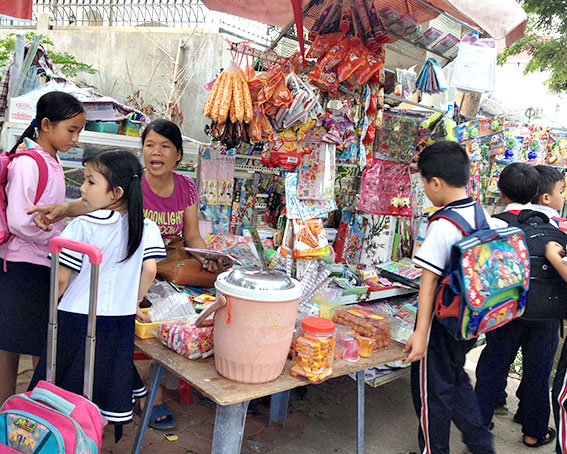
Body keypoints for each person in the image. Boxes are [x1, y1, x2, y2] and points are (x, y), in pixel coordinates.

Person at [29, 118, 223, 428]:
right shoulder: (136, 203)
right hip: (125, 301)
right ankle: (111, 416)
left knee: (72, 376)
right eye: (149, 144)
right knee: (109, 362)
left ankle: (70, 428)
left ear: (177, 155)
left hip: (102, 304)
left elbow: (192, 236)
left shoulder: (183, 188)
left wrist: (210, 258)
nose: (155, 152)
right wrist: (135, 299)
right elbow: (144, 264)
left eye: (164, 146)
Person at [29, 148, 166, 434]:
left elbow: (61, 281)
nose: (82, 188)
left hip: (76, 319)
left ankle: (62, 437)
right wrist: (133, 302)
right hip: (118, 322)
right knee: (100, 383)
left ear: (115, 192)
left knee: (64, 386)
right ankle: (89, 435)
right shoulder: (146, 227)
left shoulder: (82, 226)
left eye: (91, 182)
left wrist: (47, 308)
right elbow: (150, 270)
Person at [404, 140, 503, 454]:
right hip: (469, 320)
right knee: (456, 381)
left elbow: (428, 284)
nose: (425, 190)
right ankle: (480, 442)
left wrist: (420, 335)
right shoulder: (479, 213)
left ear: (435, 183)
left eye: (424, 184)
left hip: (440, 326)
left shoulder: (442, 226)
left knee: (432, 394)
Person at [0, 91, 86, 406]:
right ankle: (14, 413)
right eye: (71, 130)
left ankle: (28, 413)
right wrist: (60, 239)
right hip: (24, 266)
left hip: (40, 263)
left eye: (79, 131)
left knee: (31, 342)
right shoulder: (28, 163)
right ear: (47, 125)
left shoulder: (50, 159)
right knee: (15, 345)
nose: (75, 138)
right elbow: (20, 221)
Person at [474, 162, 559, 448]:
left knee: (492, 364)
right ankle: (534, 431)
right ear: (537, 192)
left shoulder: (492, 223)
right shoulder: (553, 224)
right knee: (538, 370)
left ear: (500, 192)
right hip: (544, 313)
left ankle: (481, 425)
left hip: (505, 309)